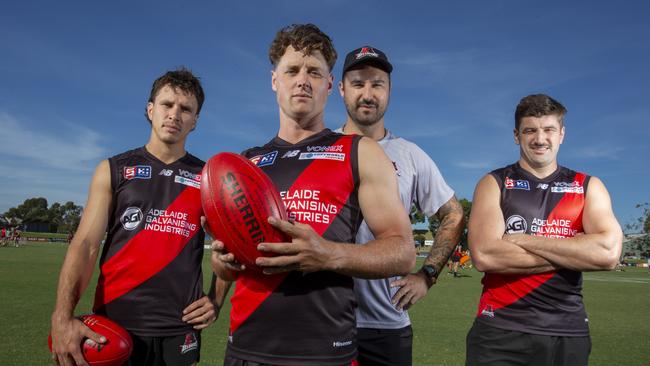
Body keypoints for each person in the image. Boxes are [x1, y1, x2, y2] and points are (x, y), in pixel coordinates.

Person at [210, 24, 415, 366]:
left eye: (314, 72)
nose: (302, 80)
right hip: (247, 349)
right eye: (291, 70)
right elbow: (228, 270)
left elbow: (403, 252)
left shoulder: (359, 151)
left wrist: (328, 254)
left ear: (330, 85)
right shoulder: (245, 164)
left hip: (326, 352)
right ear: (274, 80)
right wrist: (223, 261)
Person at [50, 68, 216, 366]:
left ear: (195, 121)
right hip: (115, 325)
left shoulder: (208, 179)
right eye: (167, 104)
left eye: (186, 109)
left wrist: (216, 298)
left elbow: (232, 246)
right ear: (150, 109)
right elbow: (86, 244)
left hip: (179, 329)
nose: (174, 114)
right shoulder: (112, 169)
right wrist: (61, 316)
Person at [466, 94, 623, 366]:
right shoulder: (495, 183)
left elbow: (607, 253)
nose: (540, 139)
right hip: (500, 329)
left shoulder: (587, 186)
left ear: (562, 134)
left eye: (549, 129)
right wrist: (574, 249)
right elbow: (486, 255)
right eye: (530, 130)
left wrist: (524, 240)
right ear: (517, 135)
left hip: (567, 331)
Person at [335, 45, 465, 366]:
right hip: (326, 319)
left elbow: (453, 213)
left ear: (389, 91)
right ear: (341, 90)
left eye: (377, 84)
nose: (368, 93)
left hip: (386, 327)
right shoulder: (321, 149)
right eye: (358, 83)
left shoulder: (409, 154)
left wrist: (428, 275)